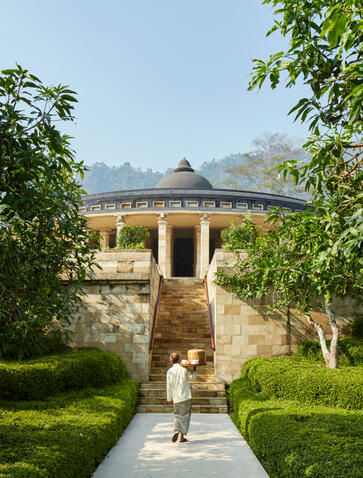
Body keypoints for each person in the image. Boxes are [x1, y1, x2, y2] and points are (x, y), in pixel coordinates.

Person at [166, 352, 198, 443]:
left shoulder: (169, 371)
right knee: (186, 416)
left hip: (176, 397)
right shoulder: (184, 368)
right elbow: (192, 377)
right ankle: (181, 437)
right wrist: (194, 367)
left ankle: (176, 430)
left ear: (171, 360)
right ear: (179, 360)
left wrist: (169, 398)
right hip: (186, 396)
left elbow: (169, 386)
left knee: (177, 415)